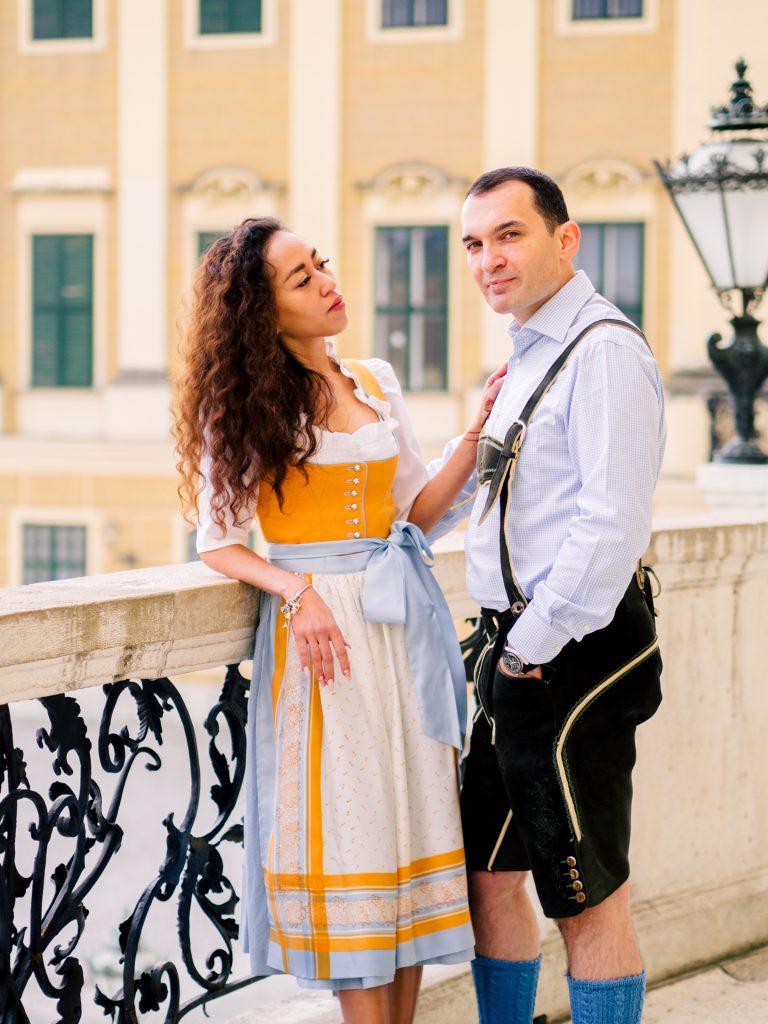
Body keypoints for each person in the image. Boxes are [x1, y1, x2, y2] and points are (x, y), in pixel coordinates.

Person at [173, 217, 505, 1024]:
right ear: (263, 312)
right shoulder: (245, 404)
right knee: (353, 839)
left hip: (399, 622)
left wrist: (477, 432)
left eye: (320, 264)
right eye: (302, 278)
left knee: (409, 831)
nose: (328, 282)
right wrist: (296, 591)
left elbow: (415, 511)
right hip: (325, 644)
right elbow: (218, 543)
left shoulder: (374, 380)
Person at [429, 167, 666, 1024]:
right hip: (513, 653)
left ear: (566, 240)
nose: (487, 260)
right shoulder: (527, 354)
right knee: (490, 875)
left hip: (567, 653)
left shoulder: (603, 352)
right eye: (473, 243)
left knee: (584, 894)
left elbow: (610, 527)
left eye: (509, 235)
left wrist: (526, 650)